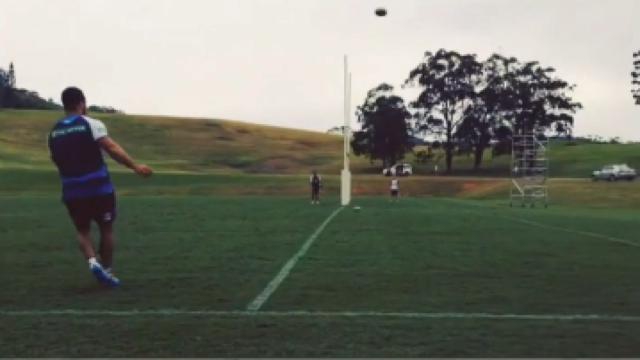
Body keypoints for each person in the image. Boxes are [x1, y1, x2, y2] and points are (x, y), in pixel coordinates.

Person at [48, 87, 153, 287]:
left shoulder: (54, 132)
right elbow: (112, 148)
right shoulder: (91, 124)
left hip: (72, 190)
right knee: (106, 228)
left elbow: (56, 160)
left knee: (82, 231)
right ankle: (107, 270)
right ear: (82, 103)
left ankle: (92, 261)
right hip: (98, 187)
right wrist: (135, 166)